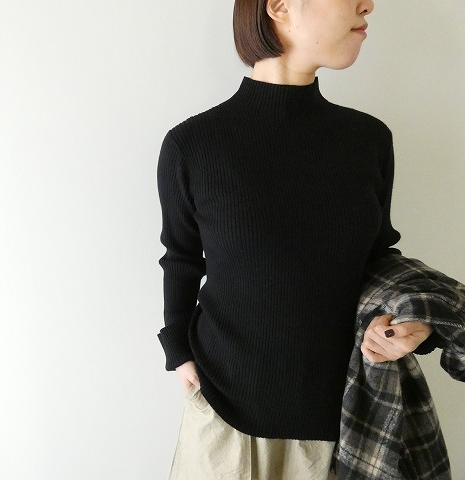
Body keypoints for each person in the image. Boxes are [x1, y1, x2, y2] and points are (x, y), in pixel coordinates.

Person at [155, 0, 440, 478]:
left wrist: (412, 320)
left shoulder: (367, 140)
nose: (368, 4)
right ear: (280, 6)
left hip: (346, 418)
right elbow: (181, 258)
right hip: (226, 418)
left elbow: (377, 259)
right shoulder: (194, 144)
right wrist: (177, 351)